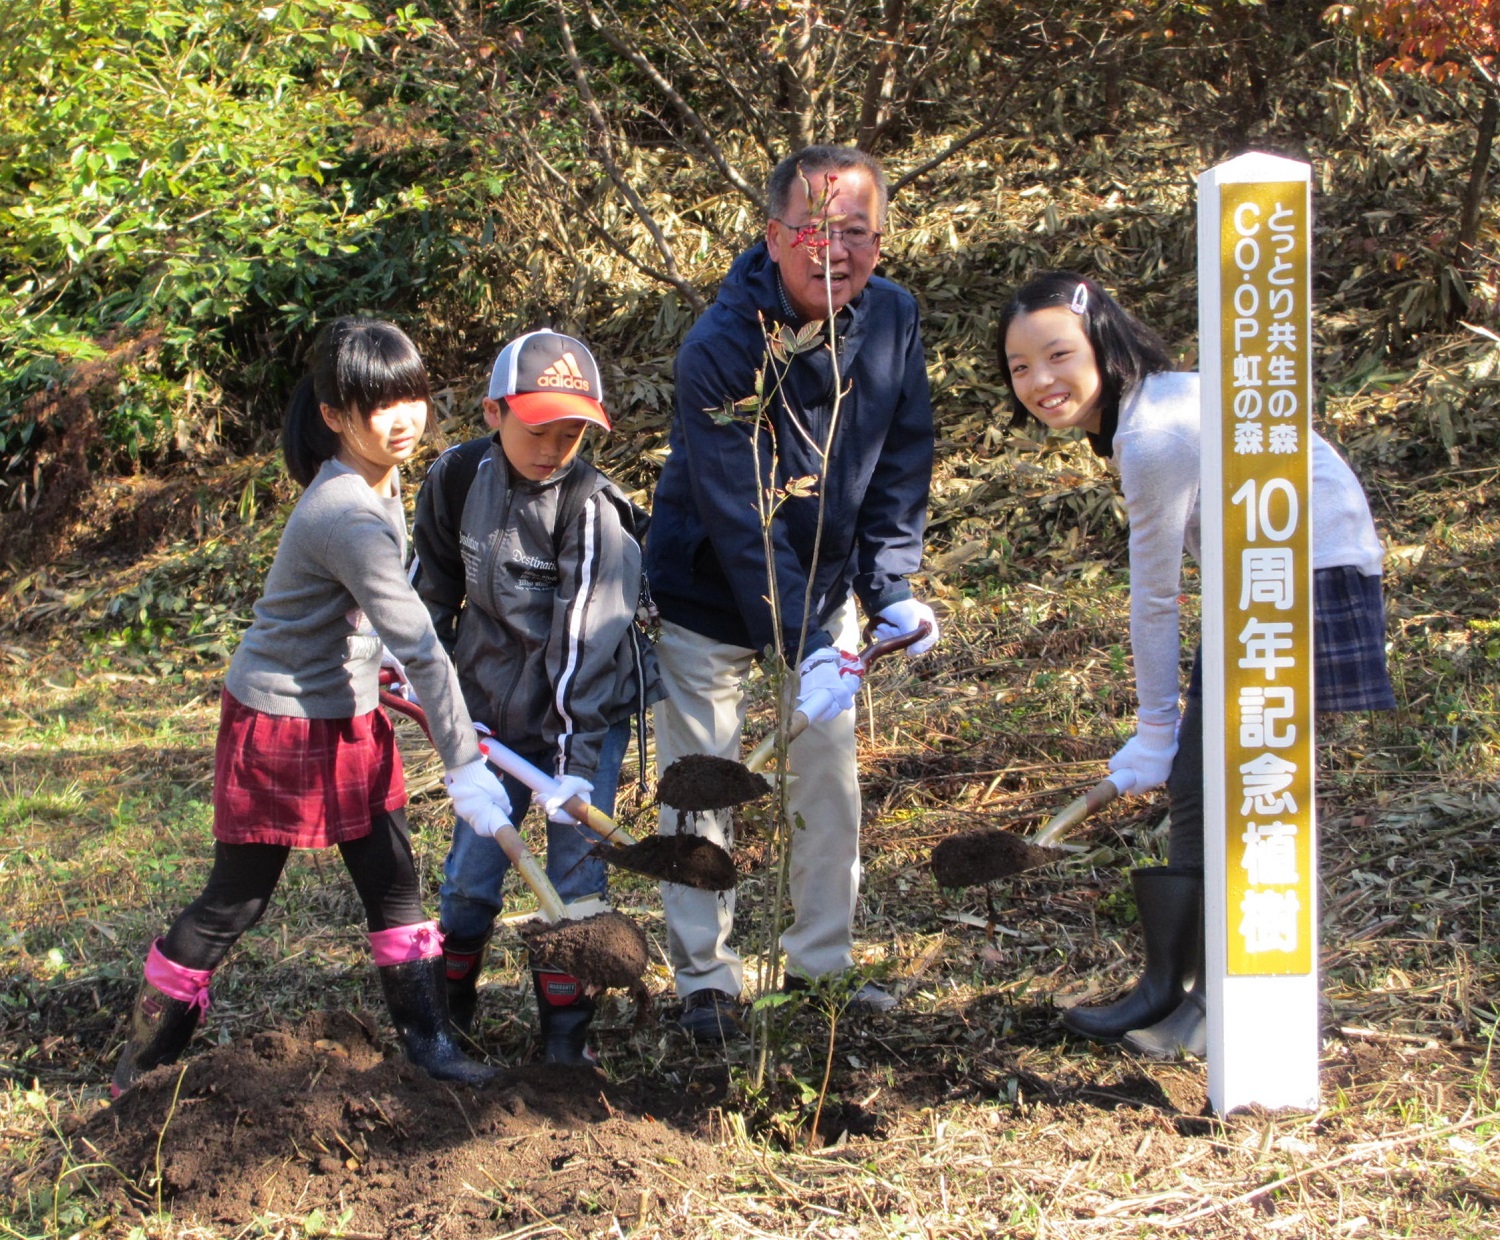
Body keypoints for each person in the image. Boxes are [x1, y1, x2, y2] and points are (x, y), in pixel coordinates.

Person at [112, 318, 517, 1096]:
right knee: (239, 898)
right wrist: (464, 766)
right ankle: (143, 1062)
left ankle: (431, 1049)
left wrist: (379, 661)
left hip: (349, 708)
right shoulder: (345, 511)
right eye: (378, 405)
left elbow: (382, 620)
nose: (402, 420)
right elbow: (426, 647)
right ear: (334, 415)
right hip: (281, 716)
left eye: (413, 397)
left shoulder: (380, 478)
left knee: (393, 880)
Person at [998, 270, 1395, 1058]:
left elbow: (1154, 597)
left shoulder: (1152, 433)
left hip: (1304, 574)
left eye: (1057, 356)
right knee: (1199, 786)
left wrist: (1154, 728)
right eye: (1019, 368)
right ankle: (1181, 997)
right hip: (1263, 573)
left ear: (1102, 347)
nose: (1040, 381)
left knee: (1238, 787)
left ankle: (1211, 1001)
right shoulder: (1154, 406)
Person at [644, 144, 941, 1042]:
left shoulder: (891, 320)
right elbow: (742, 519)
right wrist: (808, 637)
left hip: (827, 588)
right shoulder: (724, 346)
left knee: (828, 781)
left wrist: (887, 586)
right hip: (708, 588)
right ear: (774, 237)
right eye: (813, 231)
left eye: (854, 232)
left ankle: (820, 969)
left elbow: (902, 460)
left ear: (880, 241)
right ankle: (706, 981)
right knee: (703, 786)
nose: (833, 250)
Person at [412, 330, 661, 1066]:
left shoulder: (593, 512)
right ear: (493, 412)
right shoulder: (455, 480)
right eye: (538, 428)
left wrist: (575, 765)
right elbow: (429, 594)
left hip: (581, 725)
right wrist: (436, 696)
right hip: (490, 719)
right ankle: (452, 1016)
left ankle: (563, 1047)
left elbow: (585, 649)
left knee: (575, 880)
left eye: (574, 432)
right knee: (469, 878)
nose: (555, 446)